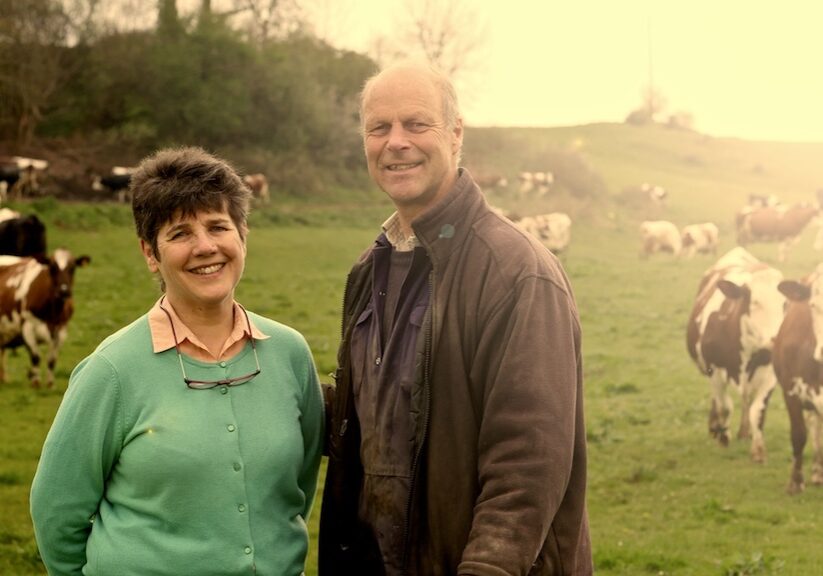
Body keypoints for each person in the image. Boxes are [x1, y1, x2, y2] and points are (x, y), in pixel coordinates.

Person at [318, 61, 592, 575]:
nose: (395, 142)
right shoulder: (369, 267)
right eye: (379, 128)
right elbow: (371, 415)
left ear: (456, 132)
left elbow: (527, 466)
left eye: (416, 124)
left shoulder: (516, 272)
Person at [30, 146, 324, 576]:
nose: (205, 247)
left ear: (243, 234)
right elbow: (56, 511)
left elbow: (296, 491)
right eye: (180, 233)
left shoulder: (290, 353)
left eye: (218, 226)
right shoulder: (111, 371)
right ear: (150, 253)